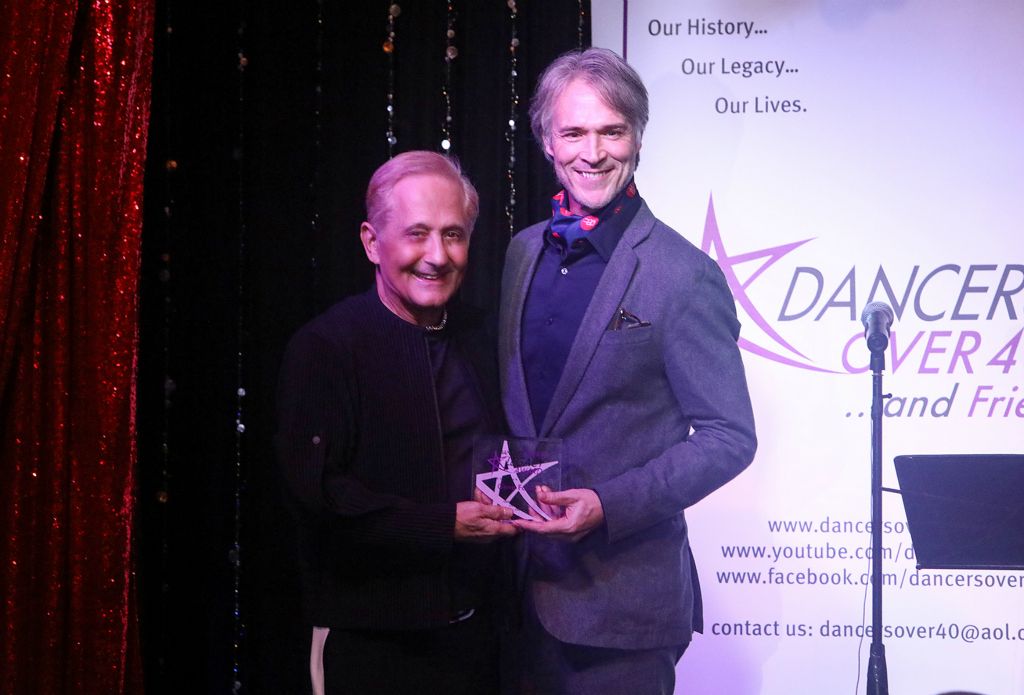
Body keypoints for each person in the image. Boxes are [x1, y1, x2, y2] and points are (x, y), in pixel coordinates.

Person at [499, 48, 757, 693]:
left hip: (622, 608)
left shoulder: (683, 274)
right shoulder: (521, 252)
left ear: (638, 139)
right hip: (514, 597)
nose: (593, 151)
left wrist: (608, 505)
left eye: (612, 130)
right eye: (574, 132)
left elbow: (730, 436)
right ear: (547, 142)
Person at [275, 151, 517, 695]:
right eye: (417, 234)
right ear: (370, 242)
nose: (437, 256)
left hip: (480, 641)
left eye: (453, 235)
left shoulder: (483, 337)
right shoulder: (327, 348)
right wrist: (441, 524)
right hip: (374, 646)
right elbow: (316, 496)